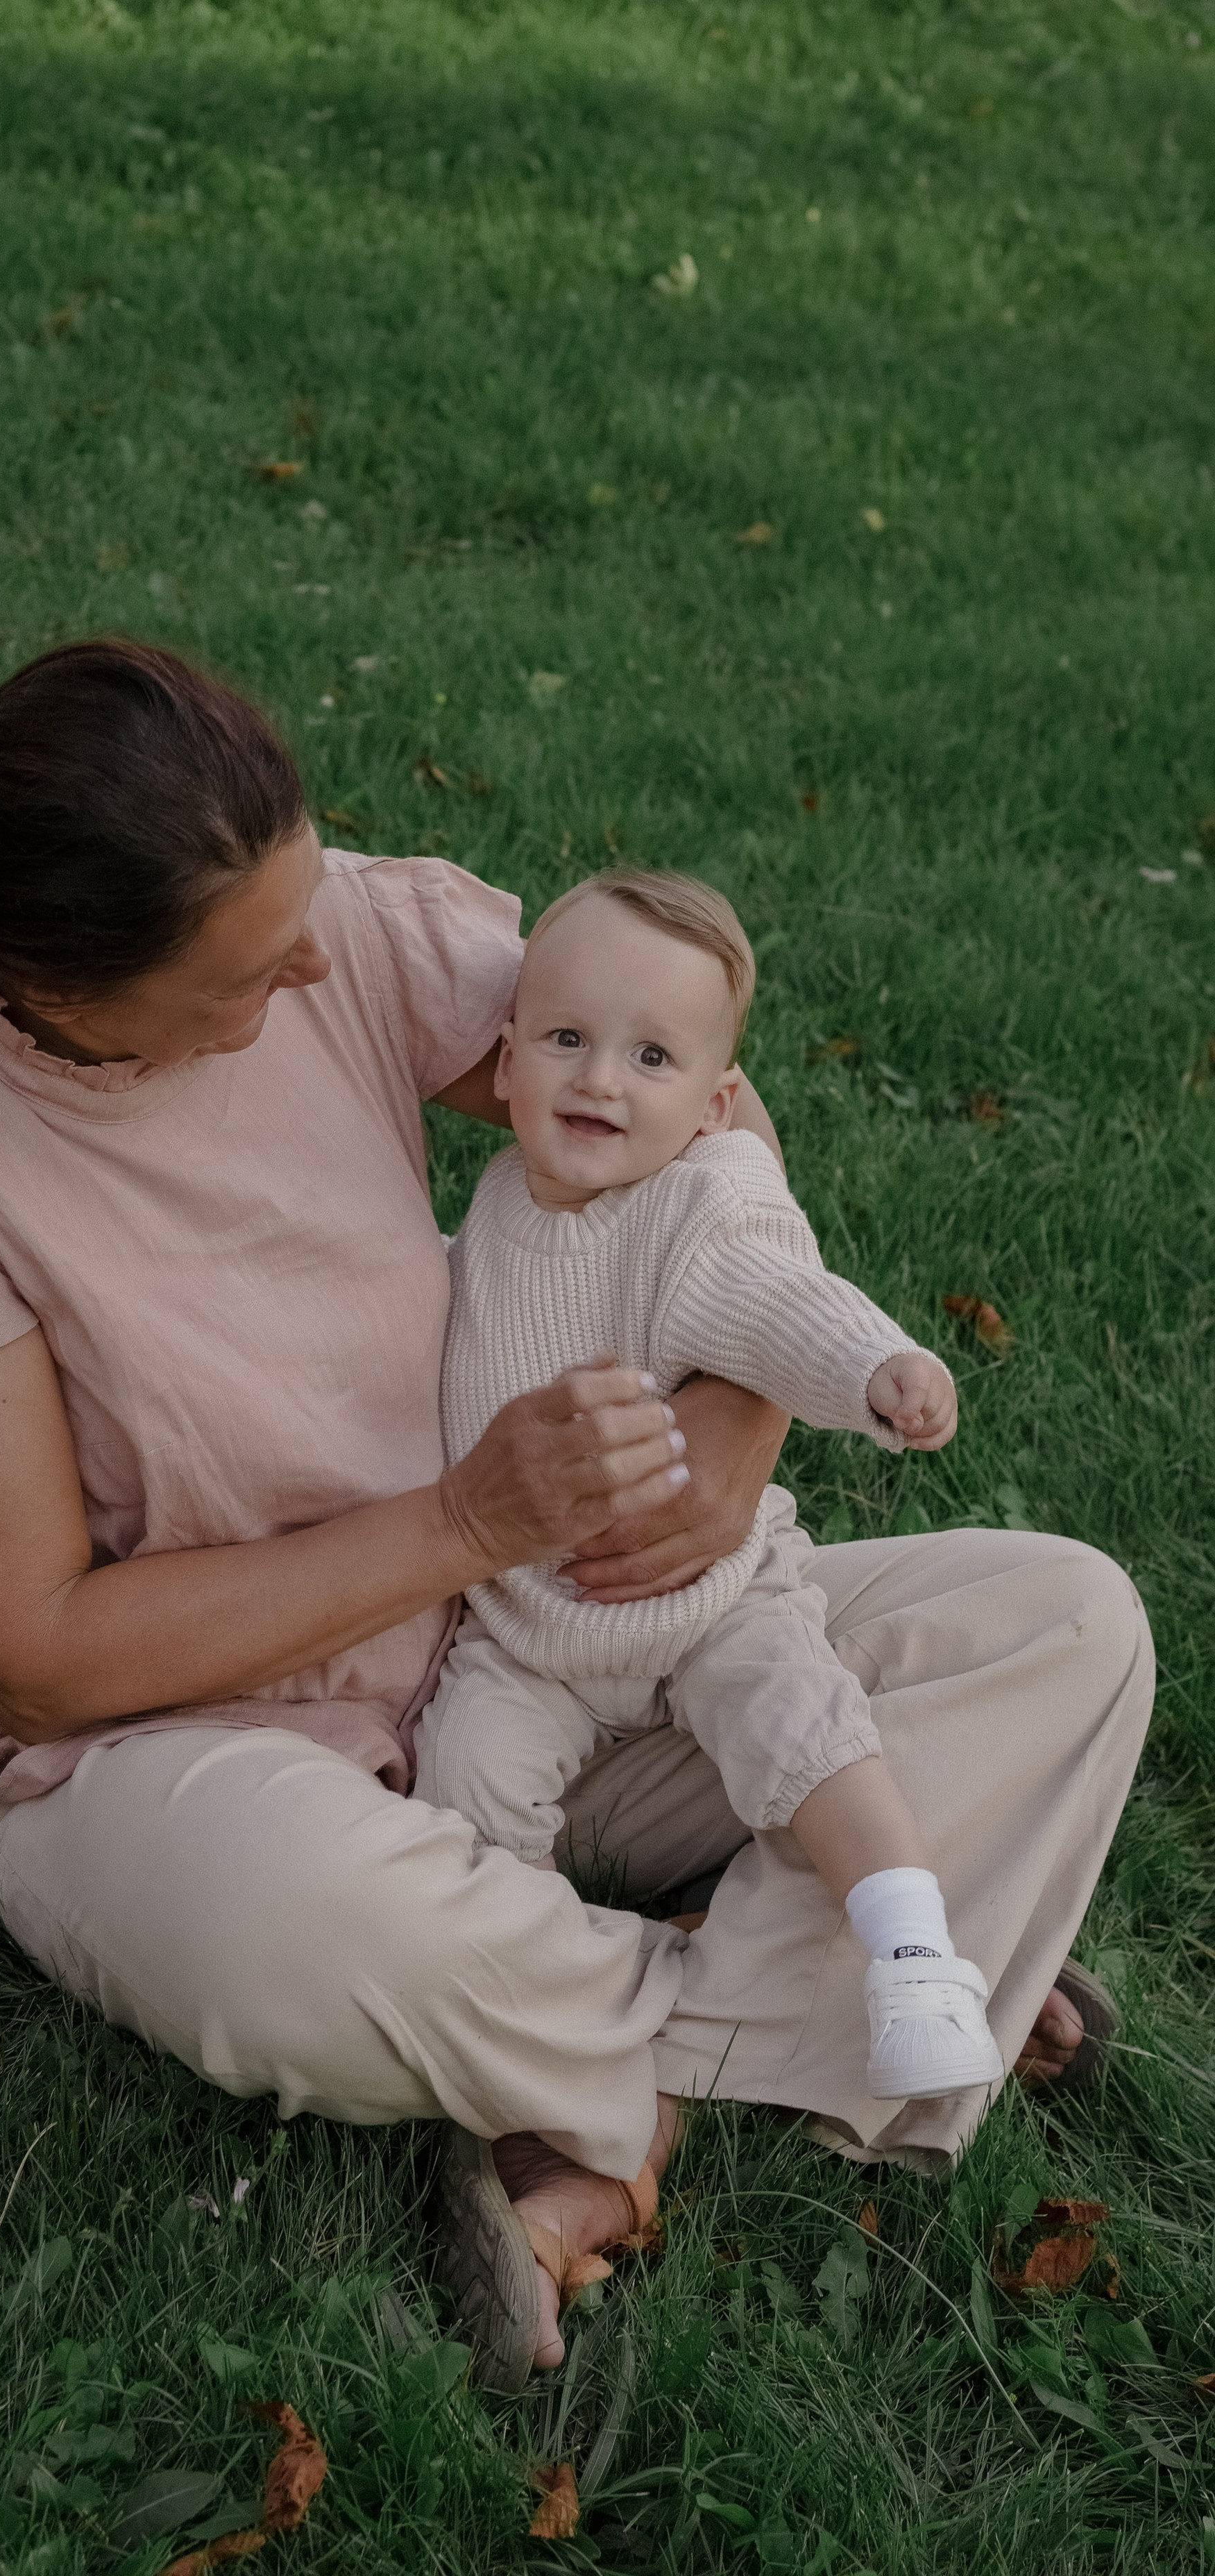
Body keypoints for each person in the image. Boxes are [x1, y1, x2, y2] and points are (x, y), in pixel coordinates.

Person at [0, 637, 1151, 2387]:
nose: (313, 966)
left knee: (1062, 1621)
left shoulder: (331, 932)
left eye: (307, 909)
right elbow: (30, 1662)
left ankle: (594, 2043)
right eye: (249, 974)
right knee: (285, 1929)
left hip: (520, 1660)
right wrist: (467, 1520)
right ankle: (836, 1975)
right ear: (71, 990)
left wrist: (737, 1416)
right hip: (176, 1757)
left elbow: (688, 1098)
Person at [419, 868, 1001, 2104]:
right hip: (528, 1626)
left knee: (801, 1716)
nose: (600, 1081)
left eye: (650, 1057)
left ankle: (913, 1950)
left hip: (708, 1600)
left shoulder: (693, 1209)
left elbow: (777, 1304)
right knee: (463, 1776)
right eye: (568, 1040)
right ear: (505, 1060)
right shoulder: (488, 1216)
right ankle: (539, 1987)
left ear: (714, 1107)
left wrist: (877, 1366)